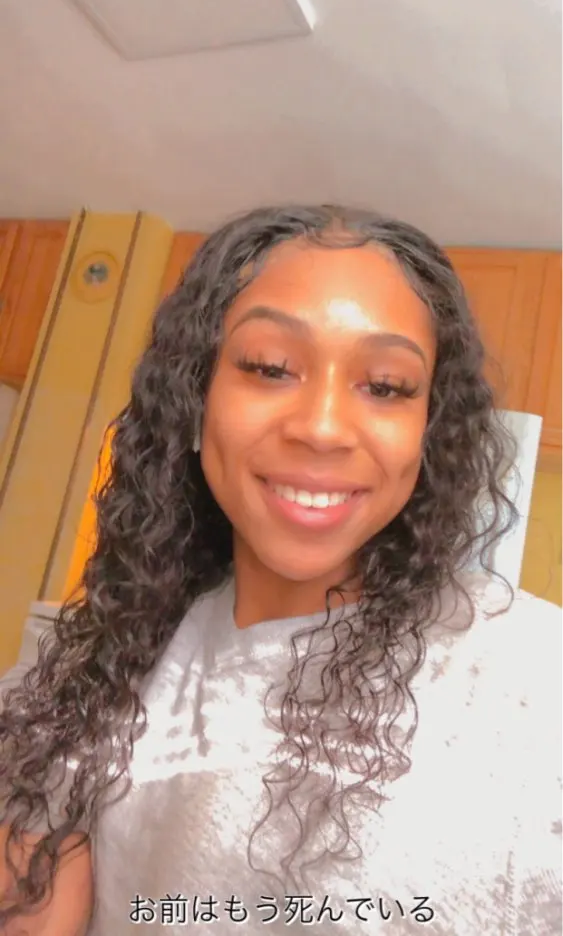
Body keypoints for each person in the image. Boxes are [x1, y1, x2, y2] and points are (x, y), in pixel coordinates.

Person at [0, 205, 561, 935]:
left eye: (385, 385)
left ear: (429, 431)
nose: (321, 427)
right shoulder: (84, 679)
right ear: (194, 400)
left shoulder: (533, 678)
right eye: (268, 368)